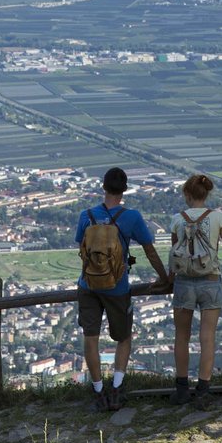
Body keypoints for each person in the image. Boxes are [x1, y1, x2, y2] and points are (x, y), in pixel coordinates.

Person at [75, 166, 169, 412]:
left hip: (88, 285)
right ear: (124, 190)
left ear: (103, 187)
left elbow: (82, 249)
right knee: (124, 337)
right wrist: (164, 278)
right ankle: (116, 389)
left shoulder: (86, 215)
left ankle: (98, 391)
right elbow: (150, 251)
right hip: (117, 287)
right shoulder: (132, 217)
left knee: (90, 337)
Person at [168, 173, 222, 409]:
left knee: (182, 336)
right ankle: (203, 390)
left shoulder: (177, 220)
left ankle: (181, 389)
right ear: (206, 194)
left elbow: (175, 255)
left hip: (183, 282)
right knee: (207, 337)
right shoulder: (218, 217)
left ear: (187, 195)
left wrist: (169, 280)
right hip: (211, 280)